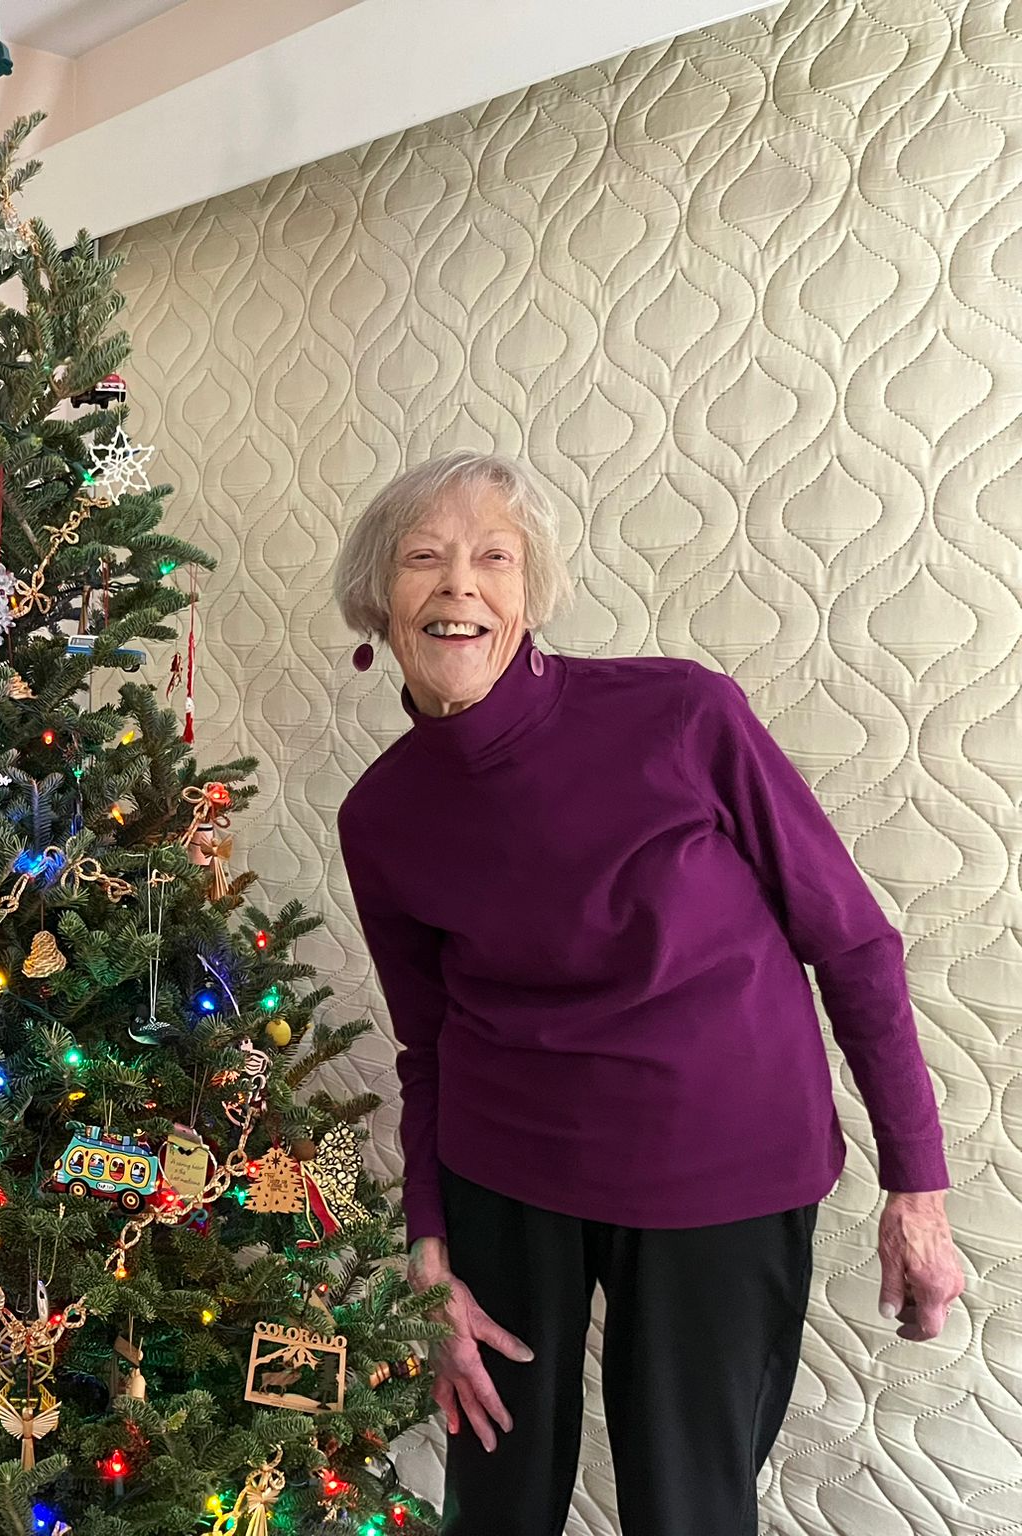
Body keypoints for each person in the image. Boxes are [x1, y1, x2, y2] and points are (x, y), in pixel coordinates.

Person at [333, 450, 965, 1536]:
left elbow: (853, 942)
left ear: (530, 592)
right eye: (421, 560)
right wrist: (425, 1253)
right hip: (503, 1168)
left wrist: (917, 1192)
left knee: (685, 1508)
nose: (457, 587)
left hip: (716, 1165)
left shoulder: (680, 713)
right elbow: (424, 1045)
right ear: (375, 602)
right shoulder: (379, 815)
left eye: (493, 556)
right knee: (494, 1496)